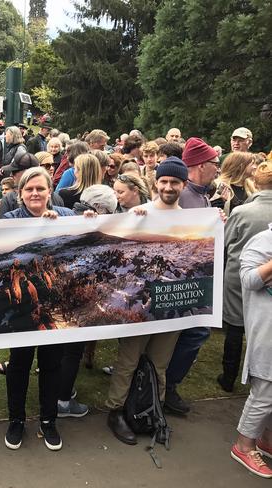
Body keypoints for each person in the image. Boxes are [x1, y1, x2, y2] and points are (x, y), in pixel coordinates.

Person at [0, 167, 68, 451]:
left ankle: (48, 420)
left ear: (49, 191)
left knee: (52, 364)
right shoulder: (10, 219)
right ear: (20, 194)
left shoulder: (65, 215)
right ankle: (16, 420)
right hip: (21, 309)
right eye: (29, 189)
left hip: (54, 303)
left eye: (40, 189)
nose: (35, 194)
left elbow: (93, 226)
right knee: (19, 364)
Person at [106, 157, 189, 445]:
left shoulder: (193, 218)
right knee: (128, 360)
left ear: (183, 185)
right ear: (156, 183)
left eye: (174, 182)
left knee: (160, 363)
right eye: (164, 181)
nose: (168, 187)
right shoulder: (140, 213)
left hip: (171, 306)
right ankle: (115, 411)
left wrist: (219, 223)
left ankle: (154, 409)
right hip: (139, 305)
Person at [165, 137, 220, 415]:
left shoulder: (201, 194)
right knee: (195, 332)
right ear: (200, 165)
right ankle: (167, 386)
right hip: (182, 281)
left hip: (195, 279)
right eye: (214, 163)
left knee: (194, 331)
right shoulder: (186, 196)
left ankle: (166, 385)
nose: (218, 169)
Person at [219, 162, 272, 393]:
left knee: (235, 326)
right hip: (264, 278)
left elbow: (226, 243)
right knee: (264, 327)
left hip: (237, 276)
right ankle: (260, 377)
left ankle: (229, 377)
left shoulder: (241, 212)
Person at [230, 225, 272, 478]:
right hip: (267, 328)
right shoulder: (263, 240)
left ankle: (266, 439)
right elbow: (249, 280)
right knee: (265, 388)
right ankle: (244, 445)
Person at [211, 151, 257, 216]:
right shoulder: (219, 186)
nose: (255, 167)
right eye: (252, 164)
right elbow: (214, 213)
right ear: (241, 166)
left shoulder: (252, 186)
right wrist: (221, 202)